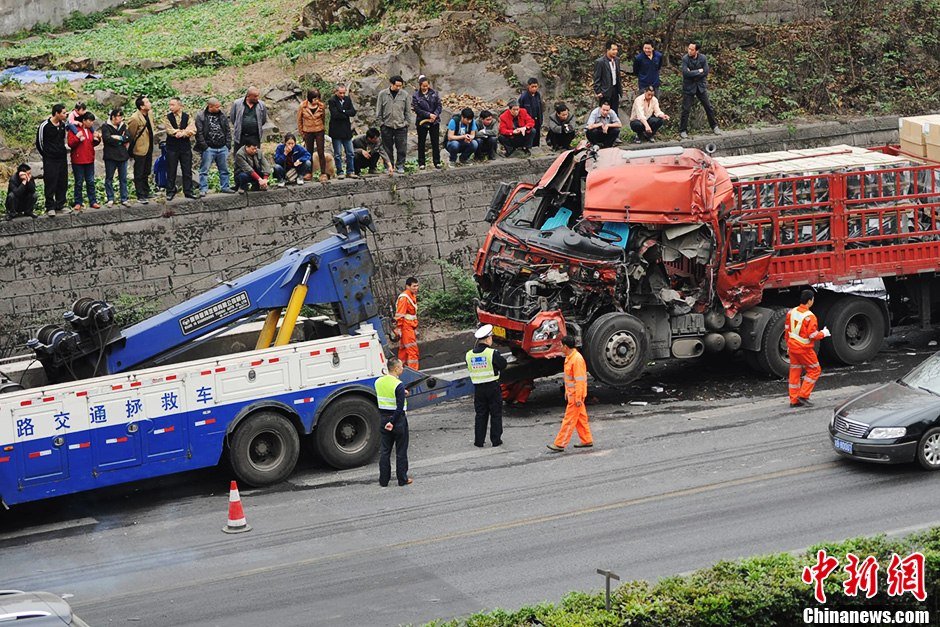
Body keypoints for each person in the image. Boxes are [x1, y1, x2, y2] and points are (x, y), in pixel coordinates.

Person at [547, 335, 593, 452]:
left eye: (561, 346)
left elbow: (580, 380)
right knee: (581, 419)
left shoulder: (576, 359)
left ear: (566, 347)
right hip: (573, 395)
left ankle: (560, 444)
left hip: (575, 397)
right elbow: (572, 379)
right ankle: (587, 440)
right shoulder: (571, 357)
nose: (560, 347)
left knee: (569, 420)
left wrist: (578, 398)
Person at [786, 289, 830, 408]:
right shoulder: (810, 317)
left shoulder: (791, 312)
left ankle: (794, 400)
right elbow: (813, 335)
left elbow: (787, 330)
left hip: (792, 347)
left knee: (794, 372)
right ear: (810, 301)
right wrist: (824, 333)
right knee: (815, 370)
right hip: (804, 349)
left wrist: (788, 345)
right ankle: (804, 395)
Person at [467, 324, 507, 447]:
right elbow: (503, 365)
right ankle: (496, 440)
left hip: (478, 389)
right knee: (495, 414)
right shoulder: (492, 353)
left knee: (480, 414)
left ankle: (479, 441)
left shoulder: (469, 355)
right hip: (492, 387)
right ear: (488, 339)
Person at [375, 357, 412, 487]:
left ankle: (383, 480)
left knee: (385, 451)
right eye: (401, 367)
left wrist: (402, 392)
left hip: (383, 419)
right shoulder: (398, 384)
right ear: (396, 369)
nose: (402, 368)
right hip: (397, 420)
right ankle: (402, 479)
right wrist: (393, 421)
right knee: (401, 451)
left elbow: (386, 395)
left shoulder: (378, 382)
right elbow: (400, 406)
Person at [679, 42, 720, 139]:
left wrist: (692, 72)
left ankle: (714, 126)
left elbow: (705, 72)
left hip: (700, 86)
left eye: (692, 49)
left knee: (708, 107)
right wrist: (698, 71)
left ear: (696, 51)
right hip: (689, 87)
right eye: (689, 48)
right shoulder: (685, 59)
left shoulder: (703, 58)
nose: (689, 51)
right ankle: (683, 130)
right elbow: (685, 73)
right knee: (686, 109)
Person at [195, 97, 234, 196]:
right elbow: (199, 133)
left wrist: (228, 145)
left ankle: (225, 186)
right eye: (217, 107)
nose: (219, 108)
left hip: (222, 147)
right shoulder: (201, 116)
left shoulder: (222, 114)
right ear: (210, 106)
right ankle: (203, 188)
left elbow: (227, 130)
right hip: (209, 148)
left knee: (224, 169)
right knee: (204, 170)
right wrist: (204, 147)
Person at [36, 103, 69, 217]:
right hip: (50, 159)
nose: (66, 114)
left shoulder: (63, 125)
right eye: (64, 113)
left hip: (62, 158)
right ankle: (50, 206)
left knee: (62, 181)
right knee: (50, 182)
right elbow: (39, 143)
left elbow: (62, 140)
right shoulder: (45, 125)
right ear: (56, 113)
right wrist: (47, 155)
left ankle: (60, 204)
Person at [230, 87, 267, 188]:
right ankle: (239, 183)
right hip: (241, 136)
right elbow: (233, 118)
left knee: (255, 159)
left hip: (254, 137)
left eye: (258, 96)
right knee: (238, 159)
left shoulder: (261, 105)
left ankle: (256, 183)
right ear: (248, 96)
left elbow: (263, 120)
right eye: (255, 96)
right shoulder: (237, 103)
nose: (257, 98)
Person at [163, 97, 197, 201]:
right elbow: (169, 129)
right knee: (171, 169)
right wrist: (178, 132)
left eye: (173, 105)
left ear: (179, 105)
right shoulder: (167, 117)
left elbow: (192, 129)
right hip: (172, 147)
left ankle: (188, 191)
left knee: (187, 170)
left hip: (185, 147)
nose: (170, 107)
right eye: (170, 105)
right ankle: (170, 191)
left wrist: (183, 133)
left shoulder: (187, 116)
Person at [375, 75, 409, 174]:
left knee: (402, 147)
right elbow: (379, 110)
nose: (398, 88)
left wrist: (406, 123)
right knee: (387, 148)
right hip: (387, 125)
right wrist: (381, 123)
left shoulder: (405, 95)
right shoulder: (383, 94)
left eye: (400, 86)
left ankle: (400, 166)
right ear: (391, 84)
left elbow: (407, 111)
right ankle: (388, 166)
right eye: (396, 86)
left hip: (401, 126)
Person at [67, 112, 101, 211]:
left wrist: (98, 139)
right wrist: (77, 137)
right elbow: (70, 144)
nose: (91, 123)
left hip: (89, 159)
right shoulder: (74, 129)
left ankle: (93, 201)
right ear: (84, 121)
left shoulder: (90, 130)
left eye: (92, 121)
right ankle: (78, 202)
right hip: (78, 160)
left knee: (90, 181)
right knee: (79, 182)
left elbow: (92, 144)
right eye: (90, 121)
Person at [126, 95, 155, 205]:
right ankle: (140, 194)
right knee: (139, 171)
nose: (149, 103)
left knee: (146, 170)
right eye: (147, 102)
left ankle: (146, 191)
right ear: (142, 106)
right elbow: (131, 134)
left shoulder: (150, 114)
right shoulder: (135, 118)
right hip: (140, 148)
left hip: (149, 146)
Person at [297, 88, 329, 182]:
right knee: (308, 152)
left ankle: (323, 173)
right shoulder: (303, 106)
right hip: (307, 131)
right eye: (314, 99)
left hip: (319, 130)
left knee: (320, 151)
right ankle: (309, 172)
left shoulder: (321, 106)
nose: (316, 101)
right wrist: (302, 132)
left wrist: (323, 129)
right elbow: (299, 120)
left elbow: (323, 118)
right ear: (310, 98)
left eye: (318, 98)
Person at [412, 75, 442, 170]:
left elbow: (439, 106)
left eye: (427, 85)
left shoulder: (434, 93)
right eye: (423, 86)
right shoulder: (416, 96)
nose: (425, 87)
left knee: (435, 142)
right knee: (421, 142)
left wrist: (435, 115)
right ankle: (421, 163)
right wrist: (428, 115)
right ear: (420, 85)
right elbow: (417, 109)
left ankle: (437, 162)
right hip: (422, 121)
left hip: (434, 121)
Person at [101, 108, 131, 207]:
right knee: (109, 178)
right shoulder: (106, 126)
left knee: (123, 178)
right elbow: (107, 139)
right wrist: (121, 140)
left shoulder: (123, 125)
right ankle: (110, 198)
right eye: (119, 116)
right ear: (113, 117)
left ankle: (124, 198)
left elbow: (128, 137)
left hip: (123, 155)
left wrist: (118, 137)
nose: (120, 119)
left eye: (121, 116)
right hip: (110, 156)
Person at [328, 84, 357, 179]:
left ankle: (350, 171)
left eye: (344, 93)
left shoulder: (347, 99)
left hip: (346, 130)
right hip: (336, 131)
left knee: (350, 152)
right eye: (340, 93)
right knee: (338, 154)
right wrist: (345, 113)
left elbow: (353, 112)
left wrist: (343, 111)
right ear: (336, 92)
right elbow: (335, 115)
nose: (342, 95)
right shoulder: (332, 101)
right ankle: (340, 171)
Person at [395, 277, 420, 370]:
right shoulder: (405, 298)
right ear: (407, 286)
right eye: (414, 286)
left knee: (404, 351)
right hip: (406, 327)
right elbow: (400, 314)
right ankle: (414, 373)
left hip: (408, 327)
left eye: (417, 286)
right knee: (412, 351)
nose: (416, 288)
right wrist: (399, 328)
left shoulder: (411, 295)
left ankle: (401, 370)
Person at [592, 41, 623, 114]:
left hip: (615, 89)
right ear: (608, 50)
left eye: (616, 50)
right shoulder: (600, 62)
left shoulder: (617, 60)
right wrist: (598, 91)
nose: (615, 52)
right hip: (605, 91)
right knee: (605, 112)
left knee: (614, 112)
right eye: (613, 50)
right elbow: (597, 78)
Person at [518, 77, 544, 147]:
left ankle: (536, 147)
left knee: (537, 134)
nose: (534, 88)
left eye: (536, 86)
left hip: (537, 118)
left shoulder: (538, 95)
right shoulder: (524, 97)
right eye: (532, 87)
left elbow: (540, 108)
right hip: (528, 120)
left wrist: (541, 119)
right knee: (530, 134)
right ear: (528, 86)